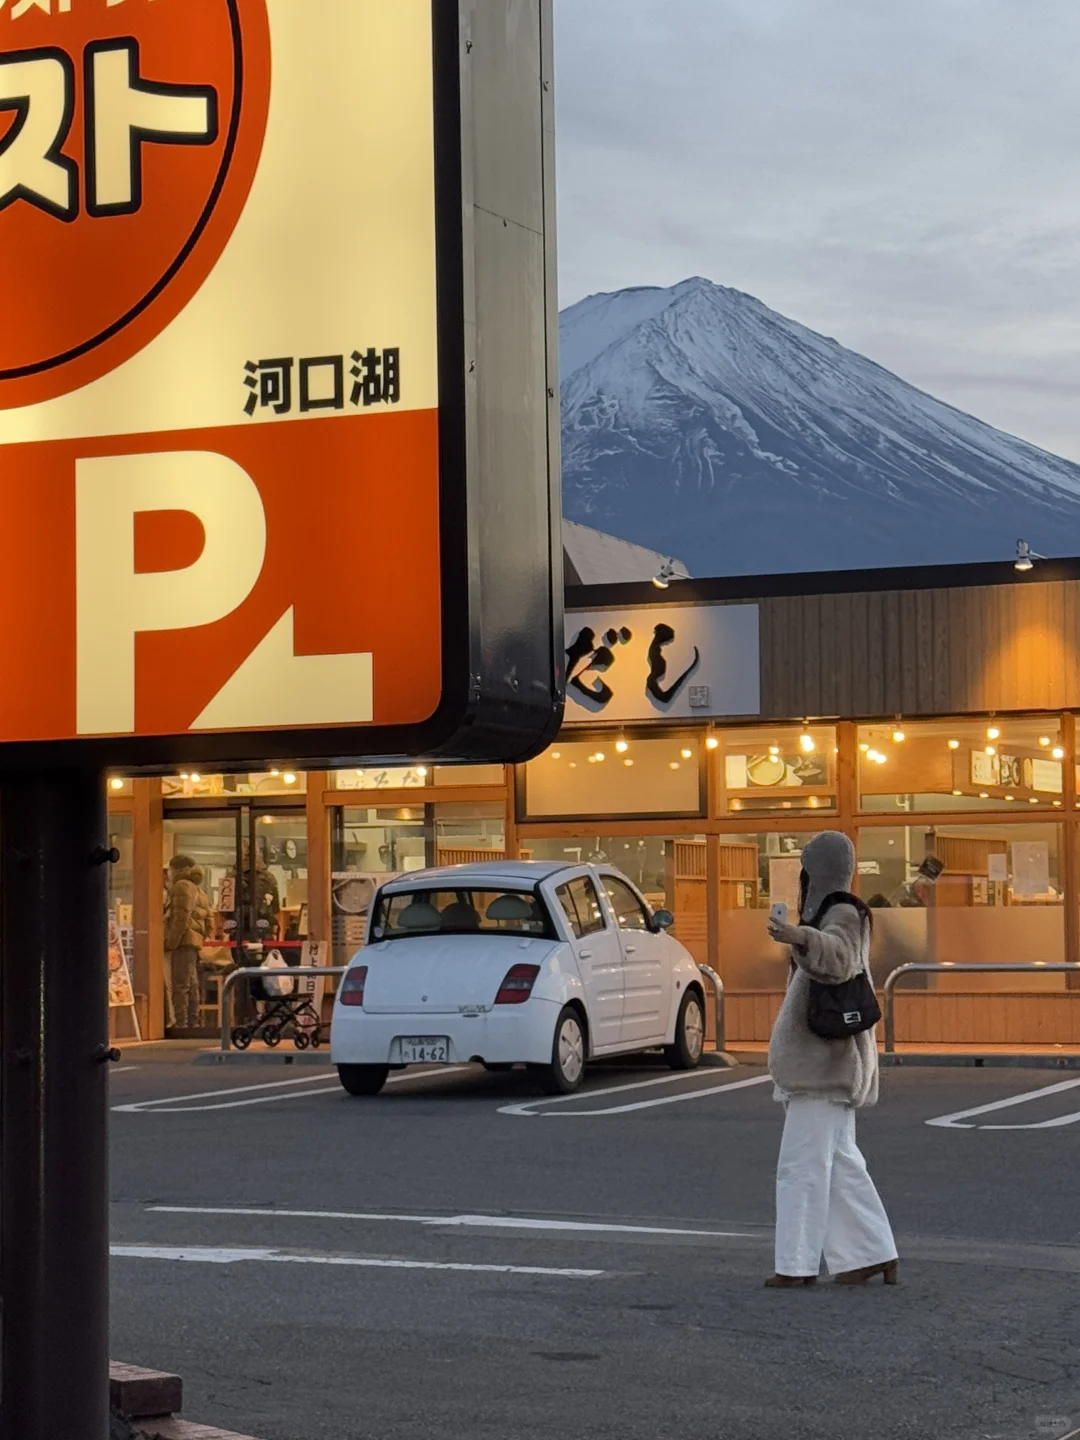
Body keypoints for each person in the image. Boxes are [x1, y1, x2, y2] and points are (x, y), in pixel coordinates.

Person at [765, 831, 898, 1288]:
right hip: (833, 1062)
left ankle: (796, 1265)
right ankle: (871, 1252)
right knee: (840, 1163)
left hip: (824, 1063)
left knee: (802, 1166)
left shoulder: (840, 912)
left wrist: (798, 936)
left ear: (816, 870)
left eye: (806, 865)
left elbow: (838, 959)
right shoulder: (842, 910)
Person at [164, 855, 213, 1030]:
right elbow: (209, 921)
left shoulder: (181, 886)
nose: (168, 874)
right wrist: (200, 938)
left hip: (183, 942)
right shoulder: (200, 891)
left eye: (169, 870)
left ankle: (181, 1024)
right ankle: (193, 1023)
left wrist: (170, 942)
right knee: (192, 985)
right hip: (193, 943)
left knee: (180, 985)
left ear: (176, 869)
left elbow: (180, 918)